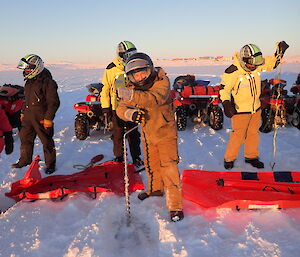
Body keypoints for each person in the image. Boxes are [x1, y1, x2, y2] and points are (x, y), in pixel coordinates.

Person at [116, 52, 184, 222]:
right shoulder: (133, 88)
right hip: (147, 133)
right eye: (135, 75)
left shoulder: (162, 81)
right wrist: (130, 114)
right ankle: (155, 189)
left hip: (165, 133)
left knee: (169, 167)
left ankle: (175, 206)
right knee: (151, 164)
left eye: (142, 72)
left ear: (150, 69)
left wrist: (131, 96)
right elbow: (120, 108)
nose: (139, 77)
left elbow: (155, 98)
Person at [219, 41, 289, 169]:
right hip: (240, 111)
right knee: (237, 136)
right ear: (244, 60)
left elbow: (271, 64)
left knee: (253, 134)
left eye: (256, 64)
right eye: (252, 64)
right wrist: (226, 103)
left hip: (255, 109)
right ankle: (229, 158)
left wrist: (280, 52)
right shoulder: (233, 71)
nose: (254, 66)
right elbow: (224, 89)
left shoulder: (256, 65)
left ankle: (251, 156)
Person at [12, 54, 60, 174]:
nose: (25, 71)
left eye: (27, 68)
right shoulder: (29, 81)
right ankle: (24, 160)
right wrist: (23, 111)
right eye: (25, 69)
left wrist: (48, 118)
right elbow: (26, 98)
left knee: (46, 141)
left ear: (35, 67)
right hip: (28, 116)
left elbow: (53, 102)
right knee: (25, 139)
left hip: (42, 117)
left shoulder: (47, 82)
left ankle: (50, 164)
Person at [100, 41, 142, 166]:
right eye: (128, 54)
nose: (130, 57)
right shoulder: (111, 69)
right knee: (118, 134)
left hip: (132, 106)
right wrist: (106, 107)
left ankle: (136, 157)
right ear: (121, 55)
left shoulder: (135, 66)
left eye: (133, 54)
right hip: (116, 107)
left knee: (133, 133)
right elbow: (105, 89)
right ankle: (119, 157)